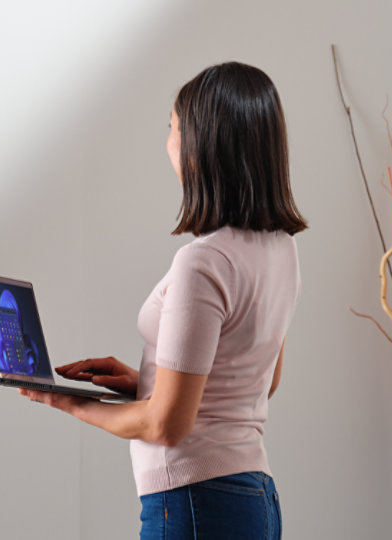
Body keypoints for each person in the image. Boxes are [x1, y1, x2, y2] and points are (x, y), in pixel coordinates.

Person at [18, 61, 306, 539]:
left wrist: (66, 401)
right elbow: (259, 379)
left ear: (200, 148)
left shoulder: (204, 262)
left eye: (172, 130)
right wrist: (147, 381)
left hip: (196, 502)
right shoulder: (282, 249)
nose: (168, 144)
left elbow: (166, 427)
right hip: (253, 499)